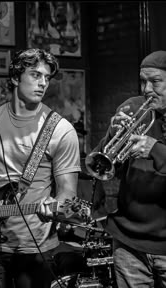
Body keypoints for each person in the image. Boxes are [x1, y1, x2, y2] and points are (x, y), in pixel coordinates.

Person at [0, 48, 82, 288]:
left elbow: (68, 193)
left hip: (37, 249)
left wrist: (57, 207)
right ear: (15, 78)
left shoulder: (61, 130)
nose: (43, 83)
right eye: (35, 75)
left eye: (46, 77)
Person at [86, 50, 166, 287]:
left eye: (155, 81)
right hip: (129, 242)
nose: (146, 89)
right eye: (143, 81)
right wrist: (113, 134)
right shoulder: (133, 107)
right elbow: (104, 160)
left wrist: (154, 149)